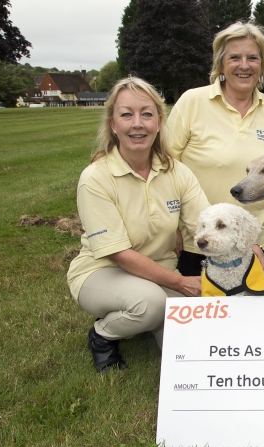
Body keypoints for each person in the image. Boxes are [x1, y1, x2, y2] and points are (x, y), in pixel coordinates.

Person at [67, 77, 211, 372]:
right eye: (126, 114)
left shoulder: (177, 172)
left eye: (146, 114)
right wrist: (181, 283)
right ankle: (103, 334)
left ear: (159, 122)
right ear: (113, 124)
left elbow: (205, 224)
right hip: (102, 272)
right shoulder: (95, 178)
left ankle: (149, 320)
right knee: (153, 304)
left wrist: (245, 249)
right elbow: (117, 254)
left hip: (160, 270)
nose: (138, 124)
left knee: (200, 327)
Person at [166, 21, 264, 282]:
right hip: (198, 242)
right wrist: (173, 227)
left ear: (262, 65)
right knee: (203, 316)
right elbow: (164, 168)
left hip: (260, 241)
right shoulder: (192, 102)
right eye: (234, 57)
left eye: (253, 58)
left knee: (251, 318)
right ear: (221, 64)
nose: (244, 65)